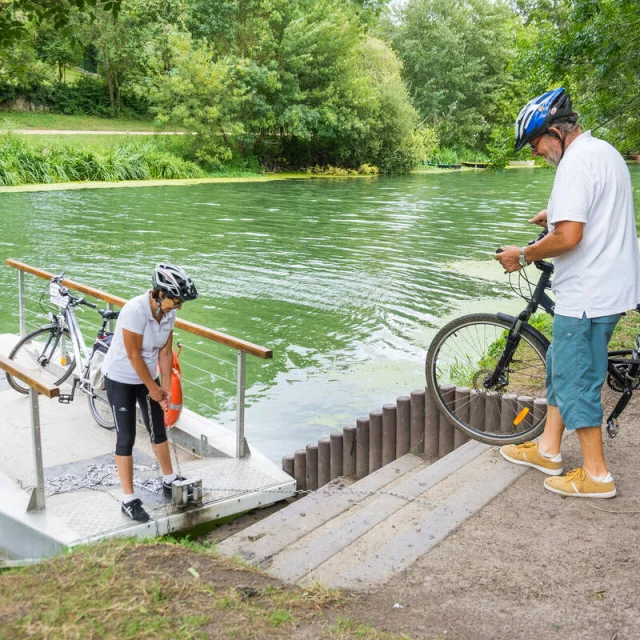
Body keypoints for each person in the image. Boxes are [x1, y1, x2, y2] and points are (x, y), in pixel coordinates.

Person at [495, 87, 640, 499]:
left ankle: (596, 476)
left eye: (536, 142)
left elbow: (570, 236)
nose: (536, 151)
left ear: (555, 132)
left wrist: (523, 255)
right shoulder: (602, 152)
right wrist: (555, 212)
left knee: (576, 379)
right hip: (609, 285)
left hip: (589, 294)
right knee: (561, 363)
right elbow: (594, 208)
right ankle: (547, 449)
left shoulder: (575, 165)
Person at [102, 264, 199, 522]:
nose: (177, 307)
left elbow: (165, 352)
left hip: (148, 377)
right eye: (175, 301)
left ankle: (168, 479)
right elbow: (134, 355)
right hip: (121, 377)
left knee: (158, 427)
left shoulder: (168, 314)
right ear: (159, 293)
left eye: (180, 303)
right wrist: (153, 388)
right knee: (127, 437)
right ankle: (128, 499)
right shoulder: (135, 311)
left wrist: (165, 389)